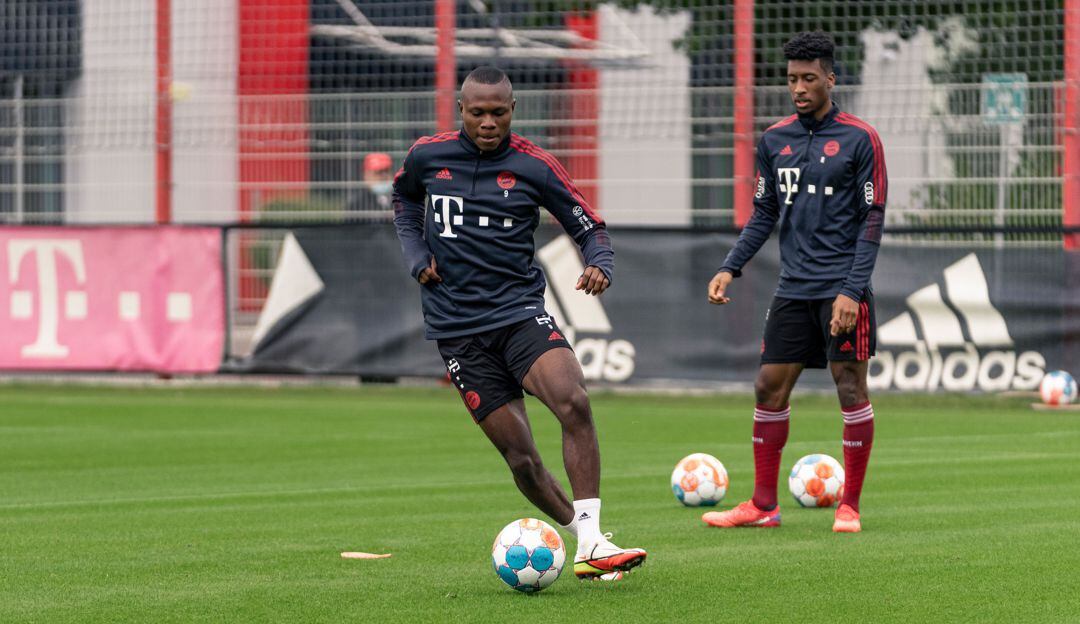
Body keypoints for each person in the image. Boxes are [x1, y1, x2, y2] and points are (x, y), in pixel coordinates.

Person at [392, 66, 646, 579]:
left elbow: (588, 225)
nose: (489, 122)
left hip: (518, 313)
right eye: (478, 112)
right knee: (523, 461)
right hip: (456, 330)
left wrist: (600, 262)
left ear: (514, 109)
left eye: (499, 112)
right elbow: (403, 200)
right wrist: (416, 253)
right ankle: (587, 541)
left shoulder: (535, 166)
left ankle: (593, 541)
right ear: (460, 109)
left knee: (572, 400)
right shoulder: (427, 155)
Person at [703, 32, 887, 533]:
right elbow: (764, 212)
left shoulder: (860, 138)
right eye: (791, 79)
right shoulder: (774, 139)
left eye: (809, 78)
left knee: (849, 386)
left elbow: (873, 219)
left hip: (841, 287)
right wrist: (730, 265)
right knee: (768, 386)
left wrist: (851, 291)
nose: (799, 87)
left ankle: (849, 505)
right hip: (794, 287)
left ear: (831, 78)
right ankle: (764, 506)